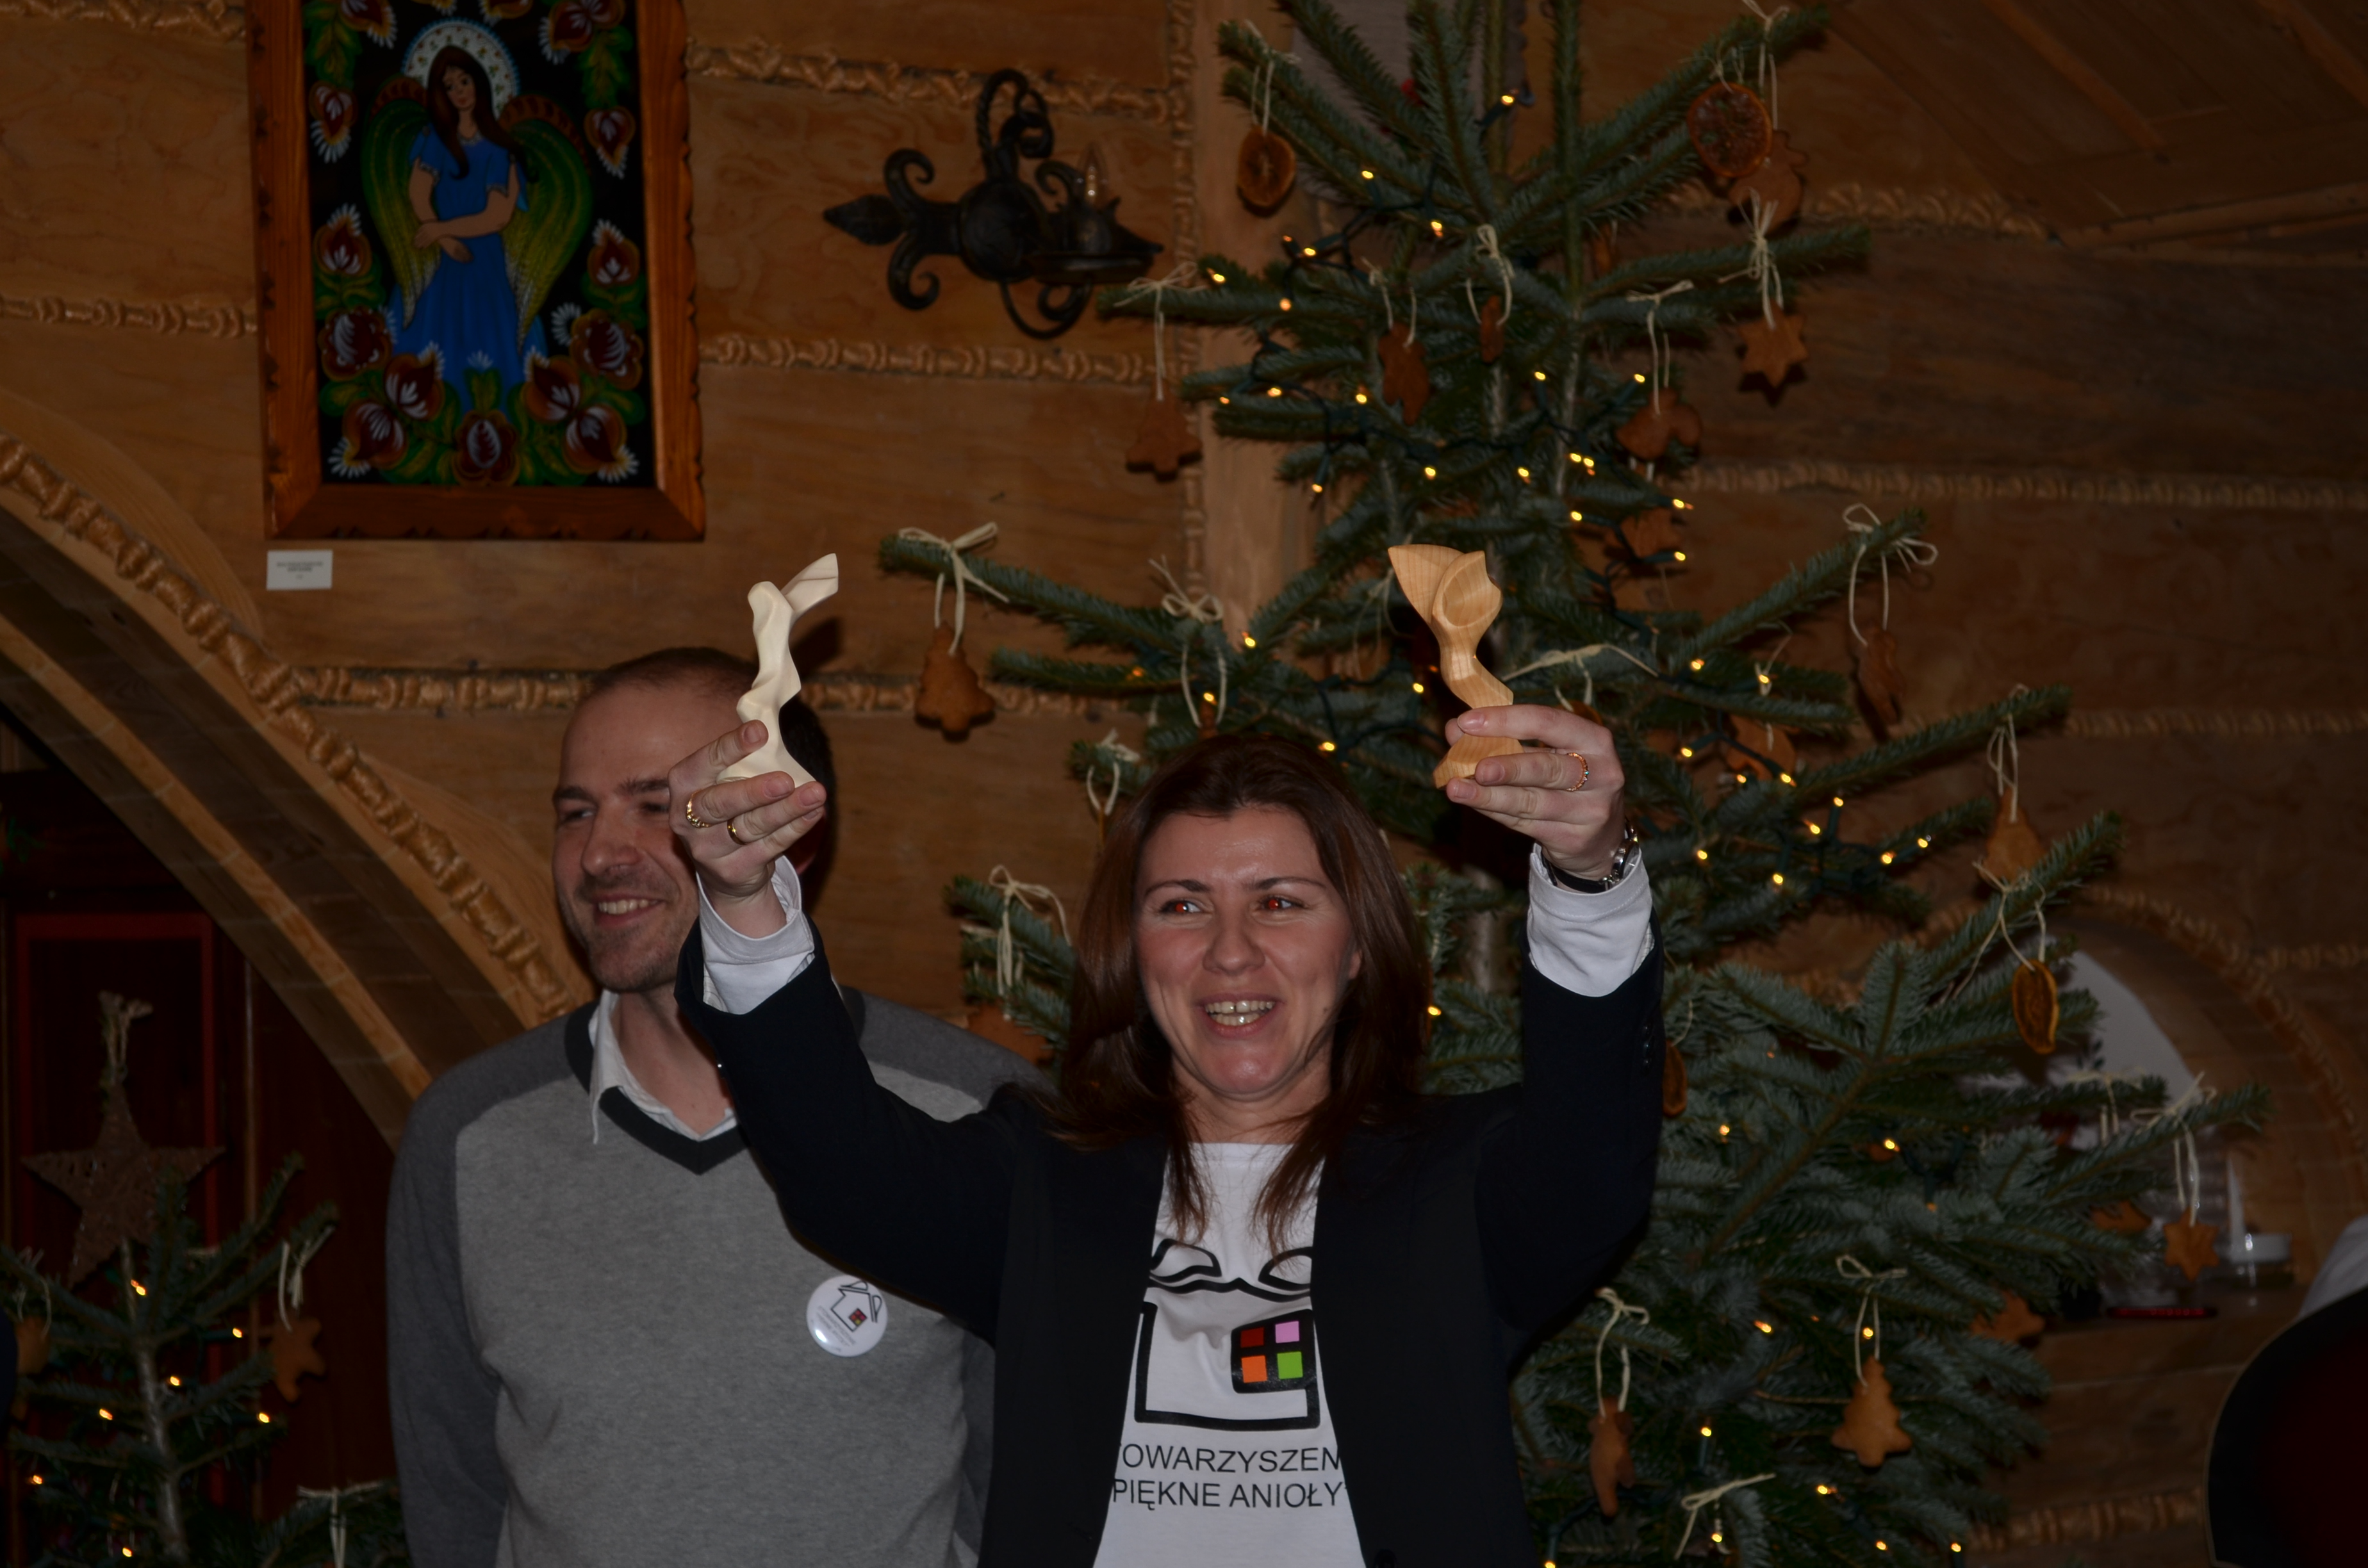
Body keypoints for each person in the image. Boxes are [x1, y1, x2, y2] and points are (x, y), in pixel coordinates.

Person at [671, 704, 1665, 1567]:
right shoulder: (1041, 1183)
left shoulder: (1461, 1186)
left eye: (1280, 902)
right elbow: (841, 1171)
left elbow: (1592, 1162)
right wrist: (745, 899)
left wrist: (1590, 875)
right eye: (1182, 906)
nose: (1231, 952)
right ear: (1134, 951)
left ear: (1358, 944)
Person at [387, 648, 1037, 1568]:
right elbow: (451, 1496)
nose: (599, 854)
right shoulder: (471, 1135)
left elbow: (1028, 1483)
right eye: (577, 812)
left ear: (791, 839)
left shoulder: (969, 1106)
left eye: (659, 806)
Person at [392, 46, 543, 395]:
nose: (460, 91)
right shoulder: (436, 139)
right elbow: (418, 193)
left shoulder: (499, 150)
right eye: (450, 86)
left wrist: (439, 229)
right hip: (443, 262)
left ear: (480, 82)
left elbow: (497, 217)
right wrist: (446, 242)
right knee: (433, 345)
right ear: (441, 94)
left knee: (490, 345)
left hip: (484, 264)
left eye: (465, 81)